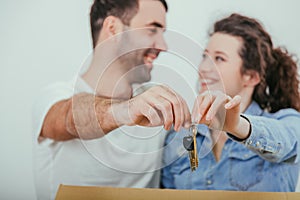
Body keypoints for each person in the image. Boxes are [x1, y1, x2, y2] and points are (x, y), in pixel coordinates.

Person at [32, 0, 191, 199]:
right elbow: (67, 118)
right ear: (113, 28)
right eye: (152, 30)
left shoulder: (157, 108)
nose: (163, 46)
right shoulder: (55, 96)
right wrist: (126, 110)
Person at [161, 13, 300, 191]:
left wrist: (237, 126)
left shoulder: (288, 122)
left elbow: (288, 142)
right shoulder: (179, 136)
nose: (203, 68)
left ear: (250, 76)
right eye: (205, 56)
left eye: (219, 58)